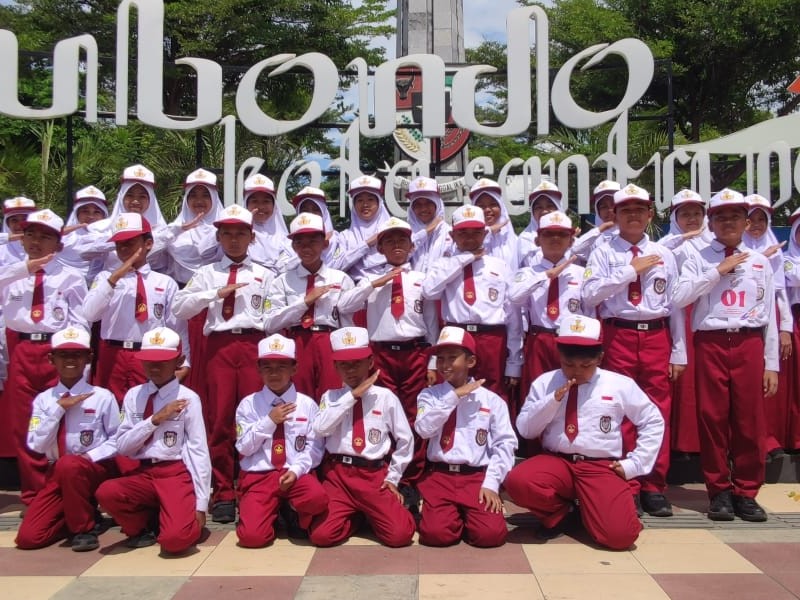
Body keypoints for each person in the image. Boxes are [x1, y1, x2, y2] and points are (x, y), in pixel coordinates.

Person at [504, 314, 664, 550]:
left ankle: (591, 509)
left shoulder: (619, 384)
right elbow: (526, 430)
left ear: (600, 358)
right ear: (559, 357)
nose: (576, 372)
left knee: (620, 537)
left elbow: (653, 420)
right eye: (568, 364)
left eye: (585, 365)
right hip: (557, 462)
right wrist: (552, 400)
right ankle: (561, 513)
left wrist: (636, 463)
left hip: (599, 466)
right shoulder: (545, 383)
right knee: (518, 481)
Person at [671, 188, 779, 522]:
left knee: (749, 420)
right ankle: (718, 490)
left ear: (747, 222)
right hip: (711, 341)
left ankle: (746, 492)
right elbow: (679, 298)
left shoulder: (760, 261)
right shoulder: (697, 257)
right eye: (720, 217)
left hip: (749, 342)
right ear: (711, 222)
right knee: (712, 418)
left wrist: (771, 363)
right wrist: (717, 271)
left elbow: (769, 315)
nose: (728, 222)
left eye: (735, 216)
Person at [582, 183, 686, 518]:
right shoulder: (603, 251)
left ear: (650, 214)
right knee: (619, 409)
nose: (633, 216)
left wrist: (678, 352)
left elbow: (675, 305)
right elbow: (589, 295)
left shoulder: (664, 253)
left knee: (657, 411)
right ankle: (628, 483)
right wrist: (630, 271)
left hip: (656, 335)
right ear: (614, 215)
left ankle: (654, 484)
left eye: (640, 210)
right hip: (619, 334)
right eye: (626, 210)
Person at [173, 204, 272, 524]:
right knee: (219, 418)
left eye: (240, 233)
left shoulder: (265, 275)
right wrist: (215, 293)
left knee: (254, 415)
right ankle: (223, 491)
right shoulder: (207, 273)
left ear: (252, 237)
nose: (234, 240)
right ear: (218, 237)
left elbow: (274, 316)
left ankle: (252, 485)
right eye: (227, 234)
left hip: (253, 345)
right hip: (220, 347)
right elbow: (179, 308)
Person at [337, 217, 439, 508]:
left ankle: (411, 479)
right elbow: (343, 305)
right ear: (379, 248)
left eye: (402, 240)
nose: (396, 246)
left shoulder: (421, 279)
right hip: (381, 353)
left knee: (414, 415)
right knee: (382, 413)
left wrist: (432, 362)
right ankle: (386, 470)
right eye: (389, 241)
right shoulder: (369, 281)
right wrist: (373, 284)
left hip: (414, 352)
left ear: (411, 246)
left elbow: (431, 320)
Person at [95, 326, 211, 554]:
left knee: (175, 541)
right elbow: (123, 446)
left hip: (175, 472)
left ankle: (177, 518)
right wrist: (154, 420)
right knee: (107, 492)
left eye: (162, 361)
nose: (154, 367)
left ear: (179, 361)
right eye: (149, 361)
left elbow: (198, 450)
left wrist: (201, 504)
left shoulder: (188, 398)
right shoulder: (134, 395)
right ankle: (143, 527)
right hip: (144, 472)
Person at [0, 209, 88, 506]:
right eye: (30, 235)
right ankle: (35, 495)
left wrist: (81, 364)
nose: (36, 241)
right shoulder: (11, 274)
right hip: (22, 350)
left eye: (45, 236)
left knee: (63, 418)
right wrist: (22, 269)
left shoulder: (71, 276)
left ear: (59, 244)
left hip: (59, 350)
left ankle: (63, 490)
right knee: (25, 423)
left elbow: (80, 320)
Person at [308, 326, 416, 548]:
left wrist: (393, 478)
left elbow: (405, 440)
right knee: (321, 536)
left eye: (357, 363)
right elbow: (320, 428)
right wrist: (351, 397)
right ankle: (356, 517)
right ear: (335, 367)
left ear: (370, 362)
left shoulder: (385, 397)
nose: (351, 370)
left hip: (372, 475)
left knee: (400, 536)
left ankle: (372, 512)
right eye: (344, 365)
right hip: (338, 476)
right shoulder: (331, 397)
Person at [16, 326, 120, 552]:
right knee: (28, 538)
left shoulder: (102, 397)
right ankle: (78, 514)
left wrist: (88, 457)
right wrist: (59, 410)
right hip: (58, 473)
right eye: (63, 355)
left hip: (93, 470)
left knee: (71, 465)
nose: (70, 360)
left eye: (77, 354)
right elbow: (37, 445)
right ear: (51, 359)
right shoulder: (44, 400)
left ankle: (84, 530)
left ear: (88, 358)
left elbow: (117, 439)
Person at [414, 326, 517, 547]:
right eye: (440, 359)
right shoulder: (429, 395)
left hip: (475, 477)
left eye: (452, 358)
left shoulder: (491, 400)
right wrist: (452, 397)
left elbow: (505, 444)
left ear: (470, 361)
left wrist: (492, 483)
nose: (445, 364)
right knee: (436, 535)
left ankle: (467, 515)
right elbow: (423, 429)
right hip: (441, 476)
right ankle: (448, 515)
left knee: (490, 536)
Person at [83, 213, 189, 404]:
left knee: (146, 406)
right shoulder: (105, 278)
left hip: (150, 354)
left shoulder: (164, 283)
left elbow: (177, 327)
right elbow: (90, 313)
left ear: (148, 243)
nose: (123, 248)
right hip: (112, 354)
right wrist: (114, 278)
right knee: (110, 406)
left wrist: (185, 360)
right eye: (119, 244)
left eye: (130, 242)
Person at [422, 205, 523, 402]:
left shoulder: (499, 266)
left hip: (491, 338)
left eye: (476, 232)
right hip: (456, 336)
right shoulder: (444, 265)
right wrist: (464, 259)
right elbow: (429, 291)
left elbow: (512, 315)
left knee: (492, 394)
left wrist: (514, 362)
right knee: (453, 392)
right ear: (452, 235)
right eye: (463, 233)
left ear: (485, 233)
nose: (469, 238)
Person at [235, 334, 327, 548]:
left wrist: (296, 470)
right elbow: (244, 448)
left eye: (281, 367)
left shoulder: (307, 404)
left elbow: (315, 448)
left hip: (295, 473)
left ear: (294, 369)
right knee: (252, 538)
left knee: (317, 499)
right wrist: (269, 421)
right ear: (258, 370)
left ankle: (293, 511)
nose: (274, 373)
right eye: (267, 367)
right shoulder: (249, 404)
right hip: (261, 475)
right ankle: (269, 515)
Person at [264, 212, 354, 401]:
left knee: (332, 397)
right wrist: (304, 302)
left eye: (313, 241)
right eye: (300, 242)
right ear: (293, 246)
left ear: (325, 244)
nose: (306, 248)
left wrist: (347, 355)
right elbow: (270, 323)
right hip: (296, 341)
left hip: (329, 341)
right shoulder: (282, 281)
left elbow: (347, 322)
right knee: (298, 398)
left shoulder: (340, 279)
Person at [742, 194, 794, 455]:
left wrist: (785, 328)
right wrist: (760, 256)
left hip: (768, 317)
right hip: (741, 318)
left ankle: (768, 439)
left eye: (761, 219)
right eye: (751, 219)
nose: (756, 225)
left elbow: (780, 294)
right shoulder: (733, 250)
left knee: (770, 378)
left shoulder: (775, 252)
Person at [331, 175, 391, 283]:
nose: (365, 204)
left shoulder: (392, 231)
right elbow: (336, 267)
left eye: (370, 199)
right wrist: (367, 244)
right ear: (354, 205)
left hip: (387, 286)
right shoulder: (345, 236)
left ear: (379, 203)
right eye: (359, 200)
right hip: (356, 287)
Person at [244, 173, 296, 275]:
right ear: (246, 204)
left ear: (274, 205)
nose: (260, 207)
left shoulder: (284, 238)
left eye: (266, 201)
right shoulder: (237, 236)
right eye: (254, 201)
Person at [58, 186, 110, 284]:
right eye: (85, 211)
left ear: (104, 215)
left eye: (97, 212)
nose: (91, 216)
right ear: (76, 214)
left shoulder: (112, 237)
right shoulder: (65, 239)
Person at [405, 176, 453, 273]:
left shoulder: (449, 232)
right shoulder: (405, 232)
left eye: (428, 203)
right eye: (418, 204)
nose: (423, 209)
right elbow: (401, 256)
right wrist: (426, 232)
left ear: (437, 204)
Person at [469, 178, 519, 269]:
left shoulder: (515, 240)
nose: (487, 210)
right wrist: (488, 231)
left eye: (493, 204)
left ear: (501, 207)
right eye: (481, 206)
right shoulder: (465, 241)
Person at [517, 180, 562, 267]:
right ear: (533, 213)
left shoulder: (569, 236)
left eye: (550, 206)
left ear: (558, 208)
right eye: (539, 207)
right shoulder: (525, 238)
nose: (544, 211)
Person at [0, 196, 37, 267]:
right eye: (14, 220)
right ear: (7, 224)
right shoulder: (1, 249)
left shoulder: (48, 246)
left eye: (25, 219)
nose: (20, 225)